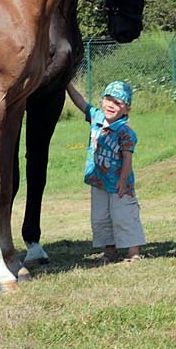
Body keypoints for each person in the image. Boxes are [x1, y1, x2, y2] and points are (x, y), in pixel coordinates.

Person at [66, 79, 146, 264]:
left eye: (118, 103)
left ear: (126, 109)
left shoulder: (124, 131)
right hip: (98, 181)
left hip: (119, 184)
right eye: (108, 99)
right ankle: (109, 252)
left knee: (124, 217)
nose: (111, 105)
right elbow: (80, 102)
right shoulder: (96, 118)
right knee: (101, 218)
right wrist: (67, 84)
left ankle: (133, 253)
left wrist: (123, 180)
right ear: (102, 100)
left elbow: (127, 158)